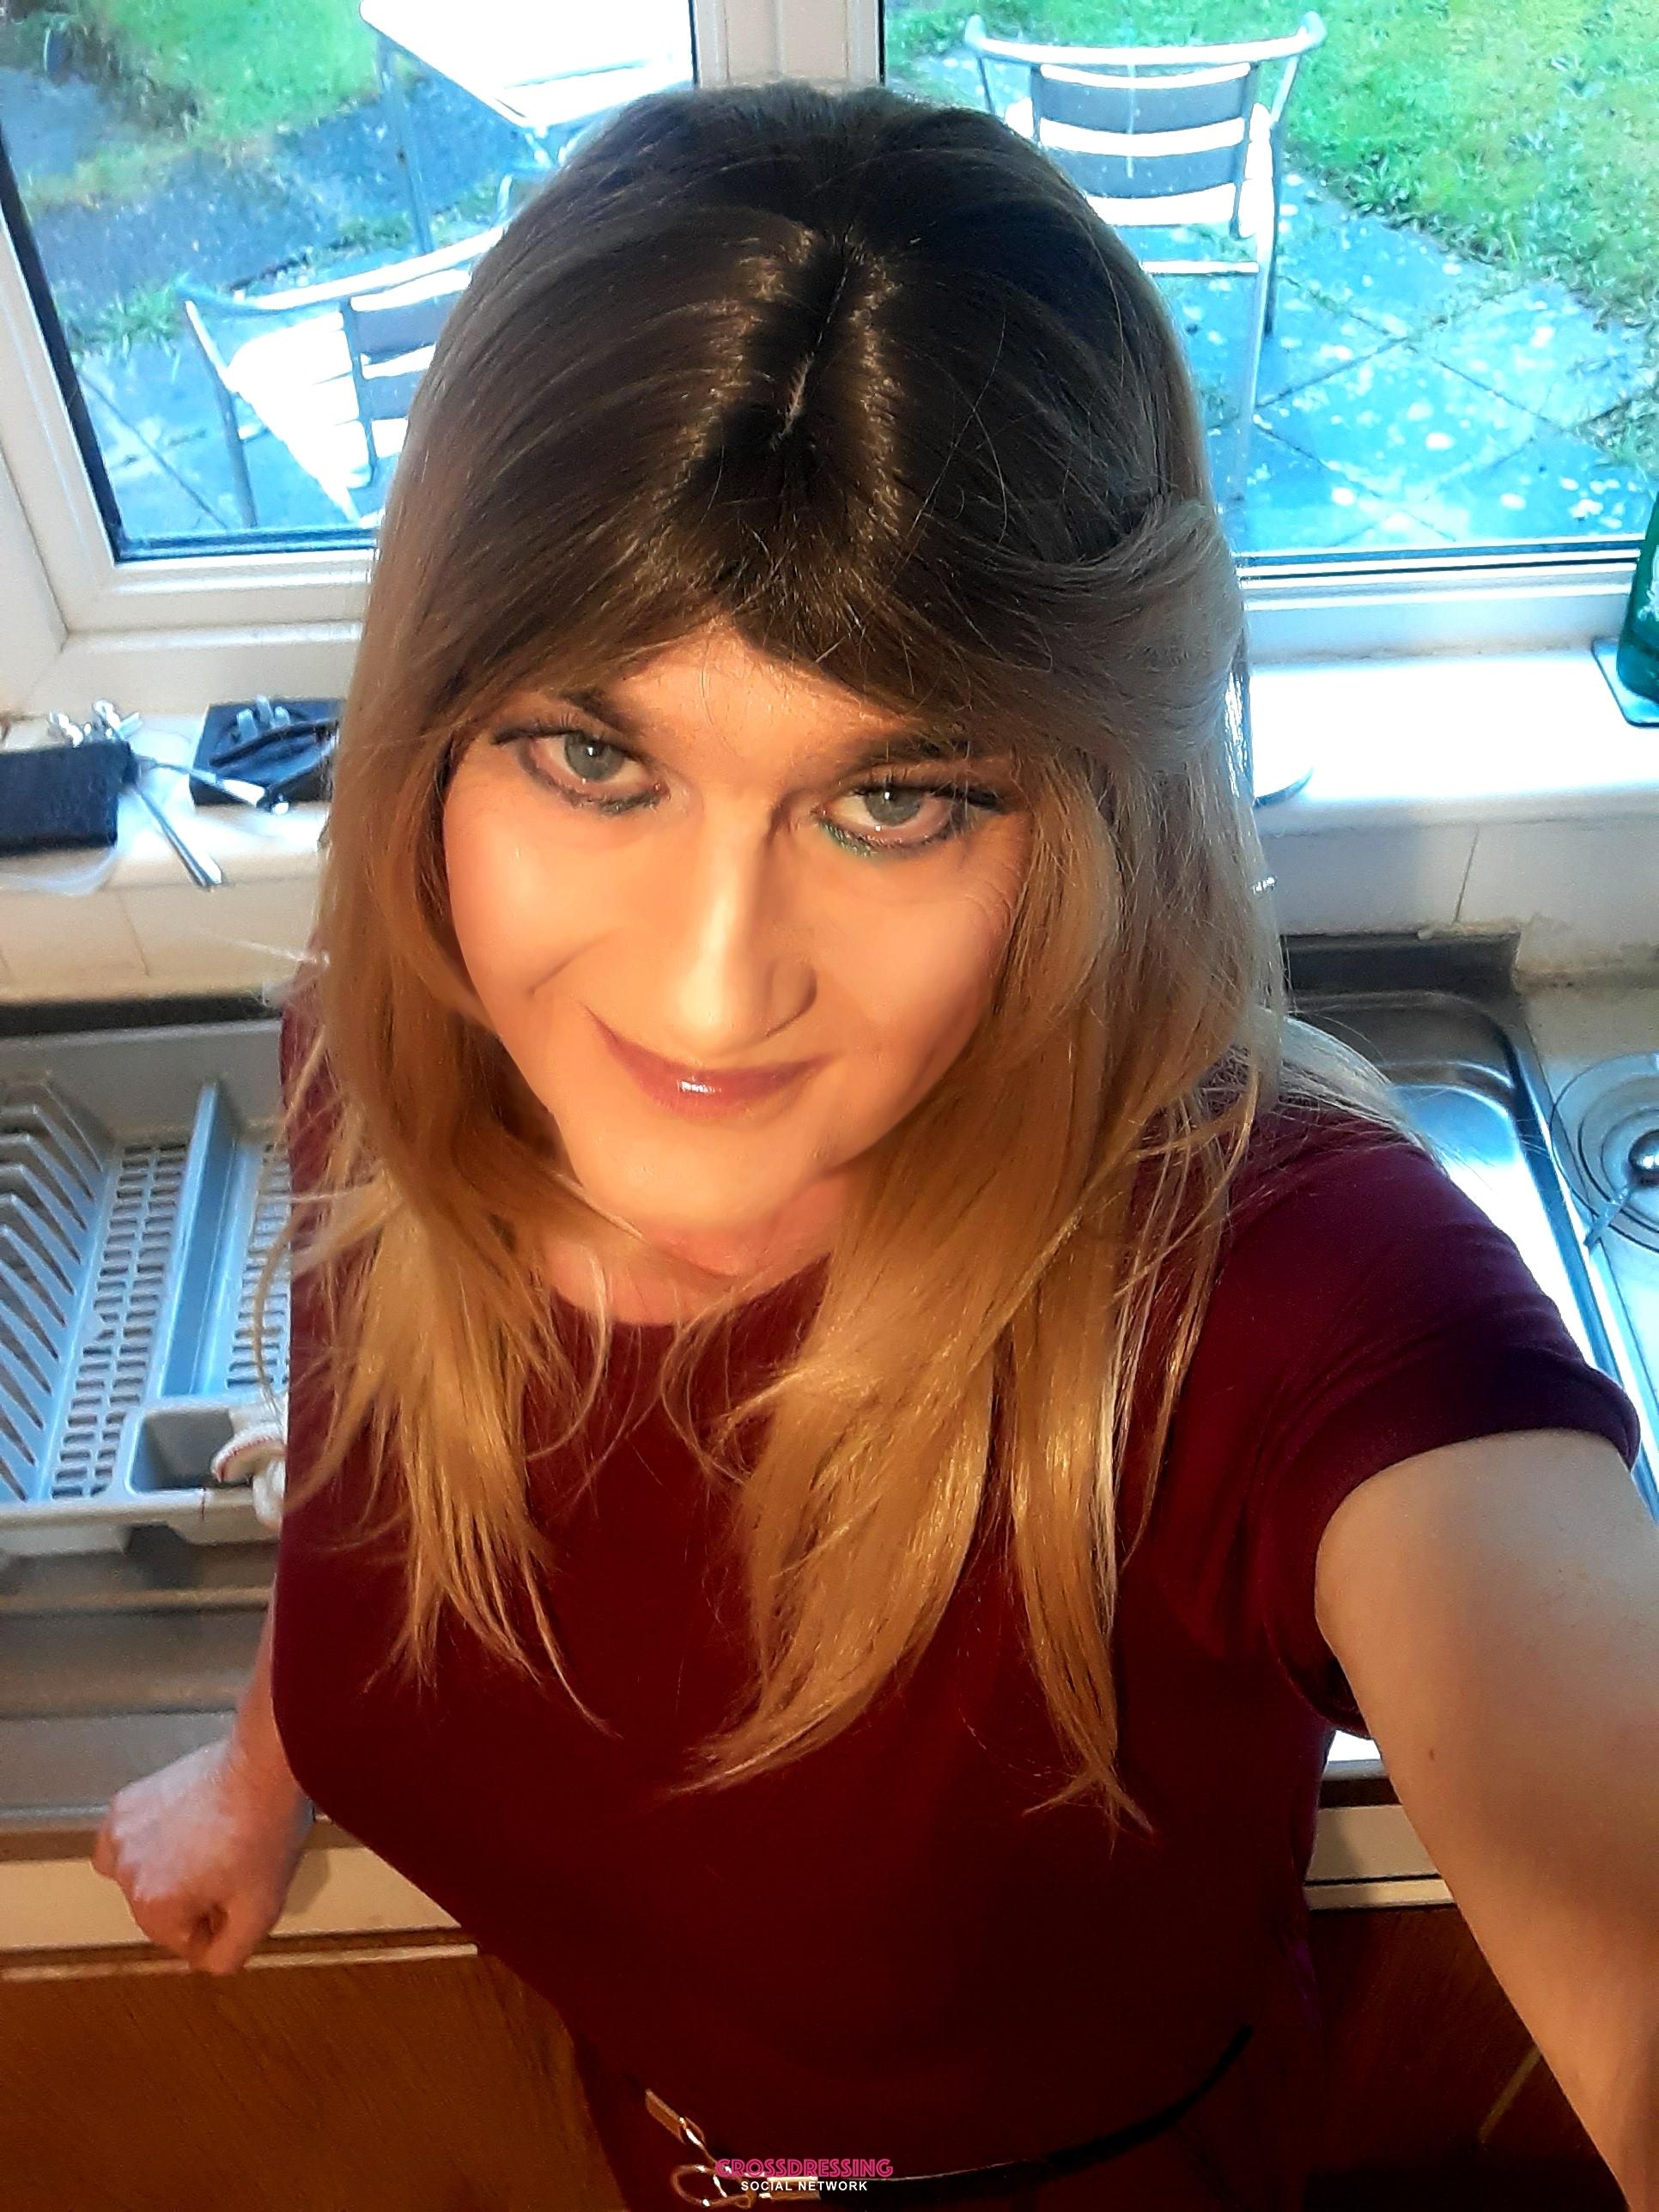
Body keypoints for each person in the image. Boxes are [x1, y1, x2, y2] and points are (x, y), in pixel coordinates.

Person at [92, 79, 1644, 2211]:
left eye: (894, 798)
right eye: (591, 757)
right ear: (433, 727)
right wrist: (267, 1763)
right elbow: (380, 1474)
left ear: (1085, 811)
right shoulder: (401, 1055)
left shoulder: (1281, 1296)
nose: (710, 992)